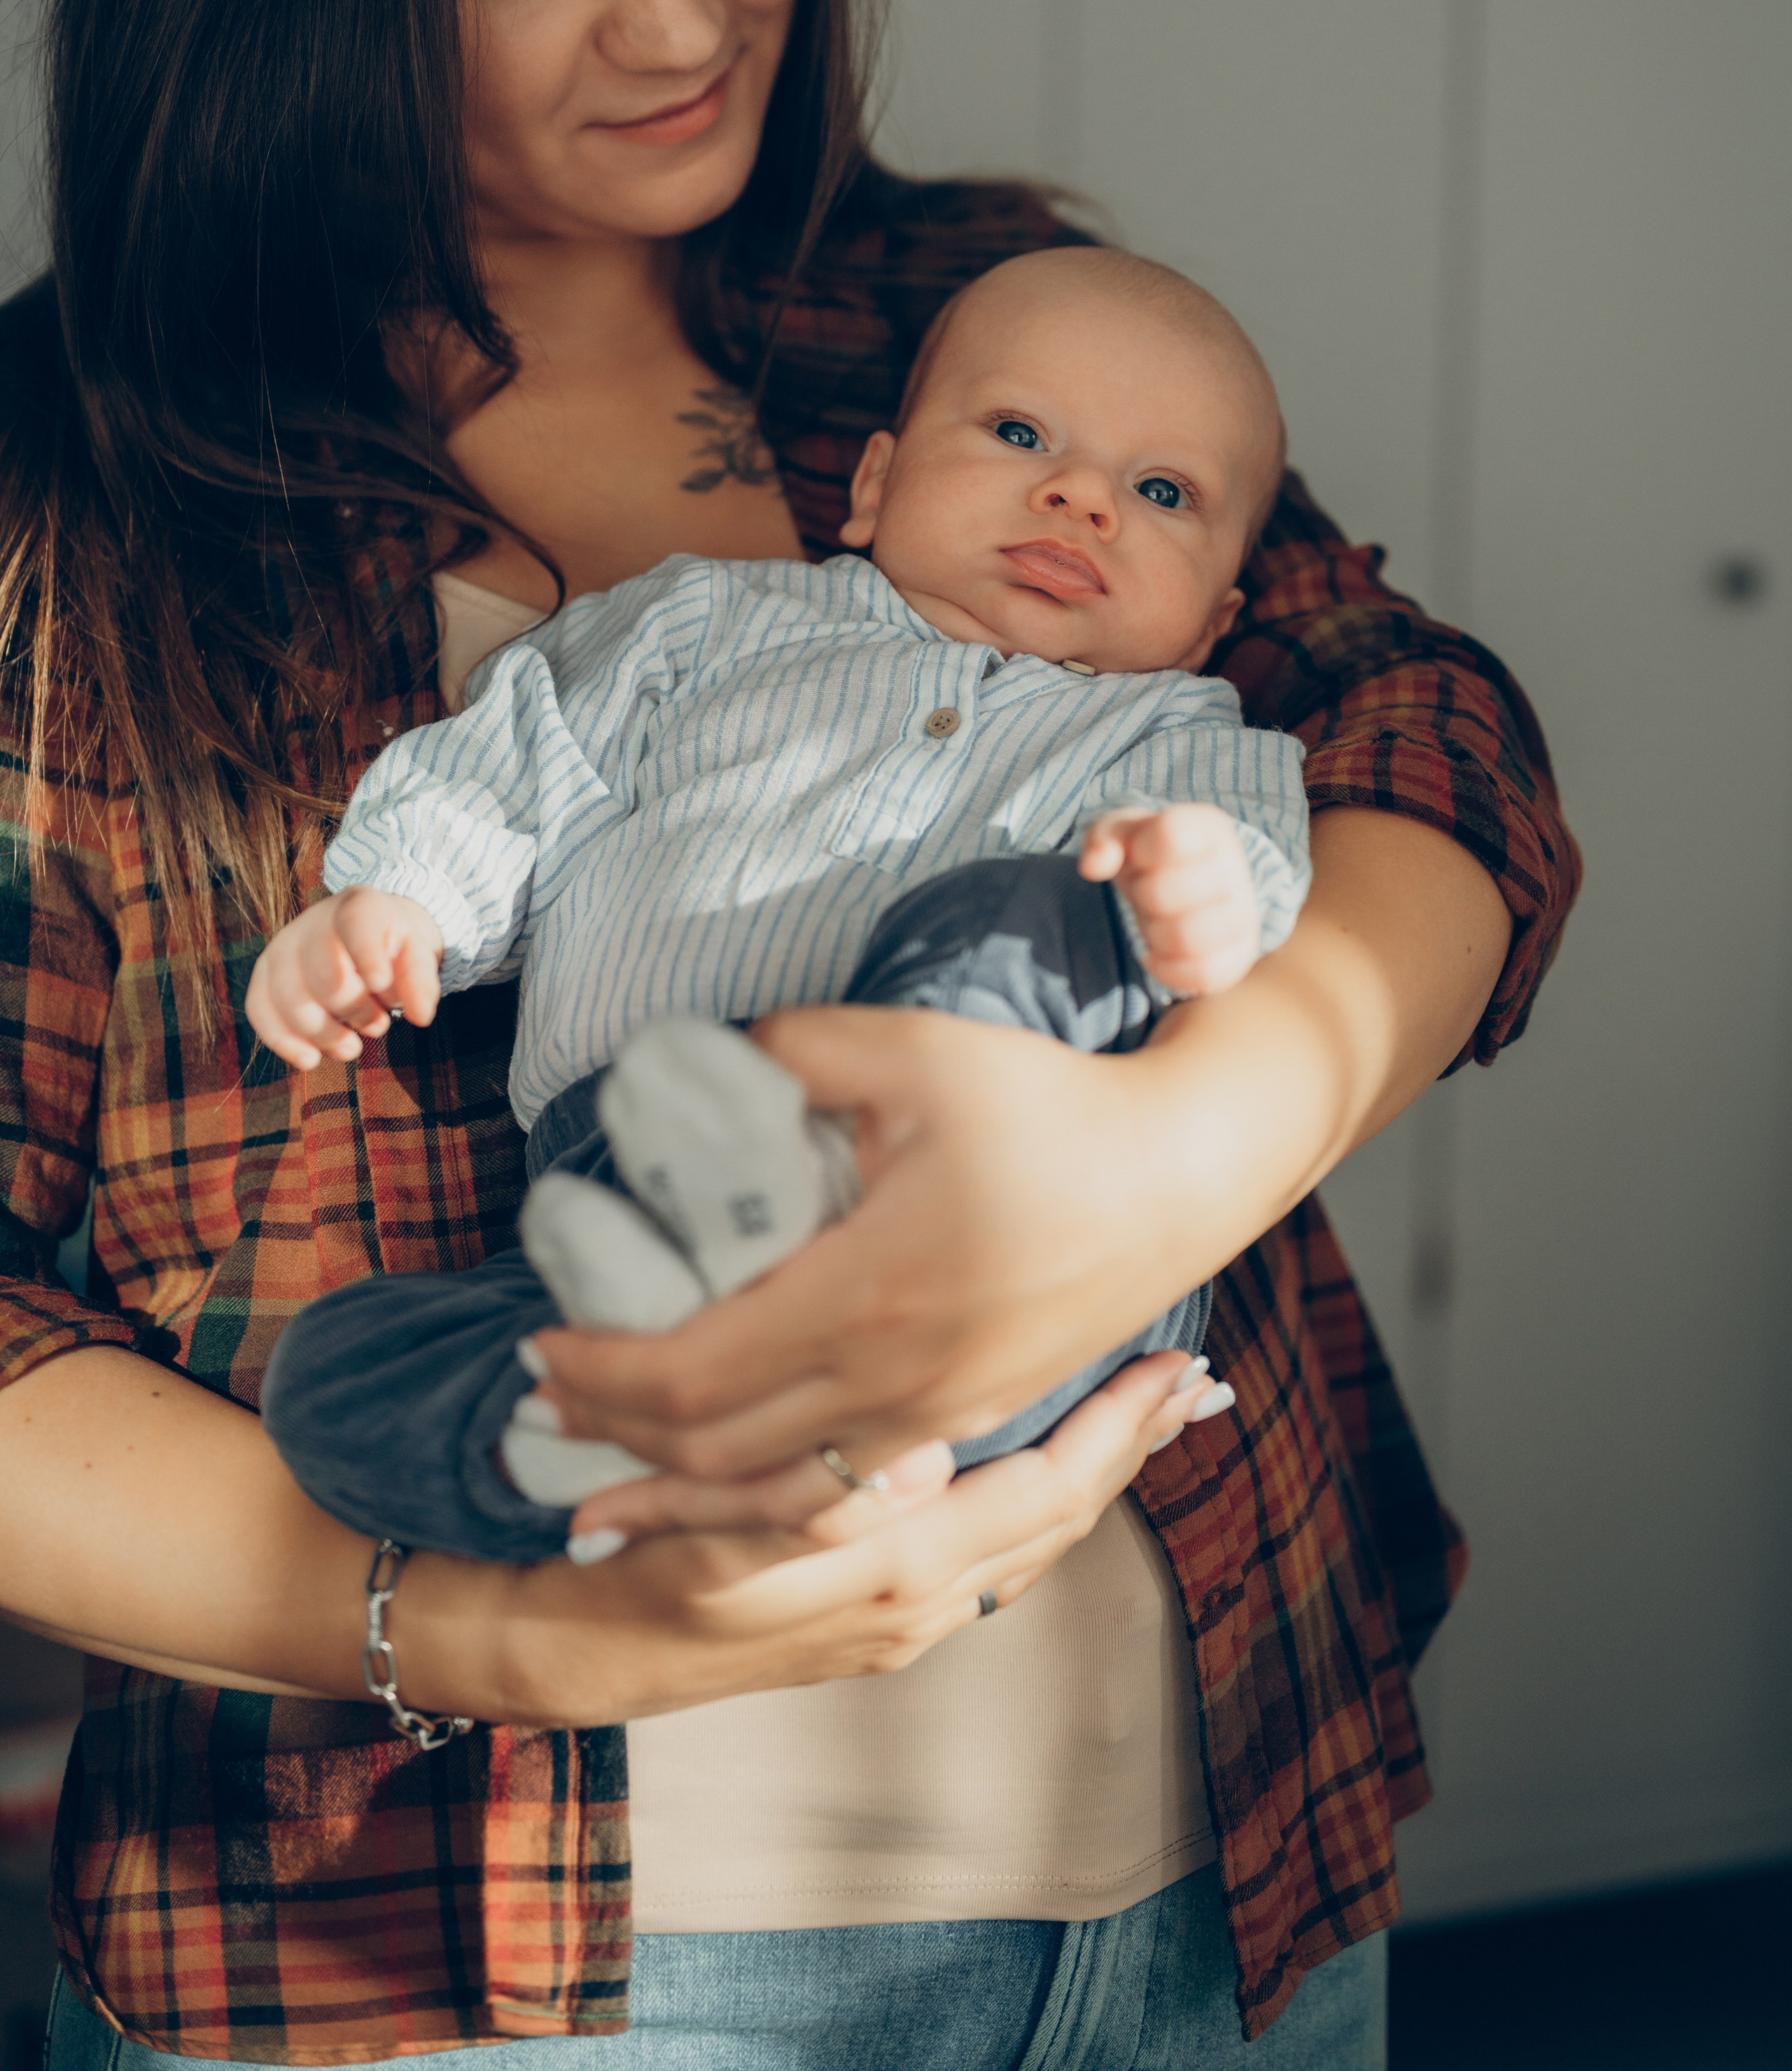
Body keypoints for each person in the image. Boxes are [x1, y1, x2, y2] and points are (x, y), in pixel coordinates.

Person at [0, 0, 1579, 2067]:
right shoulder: (78, 524)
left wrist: (1175, 1137)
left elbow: (1433, 740)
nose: (676, 8)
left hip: (1210, 1877)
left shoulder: (969, 324)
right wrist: (499, 1616)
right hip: (484, 1981)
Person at [248, 248, 1311, 1562]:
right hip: (635, 1195)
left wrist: (1199, 883)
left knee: (1025, 912)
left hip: (1004, 1232)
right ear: (874, 485)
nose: (1080, 495)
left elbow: (1253, 866)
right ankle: (627, 1431)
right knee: (337, 1375)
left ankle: (822, 1348)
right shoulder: (699, 624)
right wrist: (399, 896)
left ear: (1215, 620)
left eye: (1161, 492)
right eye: (1021, 431)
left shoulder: (1175, 729)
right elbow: (523, 755)